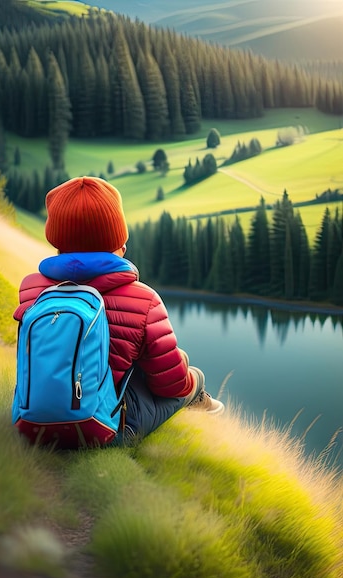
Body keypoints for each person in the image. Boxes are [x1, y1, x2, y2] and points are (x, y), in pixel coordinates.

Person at [13, 176, 224, 443]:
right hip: (109, 429)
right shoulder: (144, 299)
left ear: (57, 241)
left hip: (31, 424)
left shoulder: (31, 290)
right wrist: (191, 378)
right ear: (119, 244)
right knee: (190, 377)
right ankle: (209, 429)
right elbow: (170, 384)